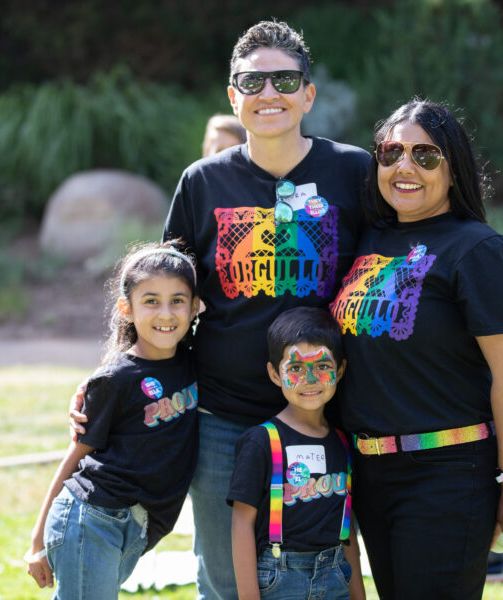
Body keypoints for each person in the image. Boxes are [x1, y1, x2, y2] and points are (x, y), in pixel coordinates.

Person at [70, 19, 370, 600]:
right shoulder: (202, 182)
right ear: (233, 96)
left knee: (321, 572)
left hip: (324, 414)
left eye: (285, 80)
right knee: (223, 578)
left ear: (309, 93)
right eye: (252, 83)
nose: (269, 94)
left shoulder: (353, 171)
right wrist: (111, 376)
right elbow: (159, 299)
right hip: (222, 418)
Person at [329, 99, 503, 600]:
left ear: (454, 168)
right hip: (370, 472)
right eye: (392, 151)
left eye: (425, 155)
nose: (404, 166)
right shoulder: (369, 240)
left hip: (447, 475)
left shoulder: (478, 251)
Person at [29, 242, 200, 599]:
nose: (166, 314)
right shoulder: (115, 378)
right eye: (150, 301)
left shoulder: (190, 360)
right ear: (127, 308)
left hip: (133, 527)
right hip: (90, 519)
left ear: (195, 306)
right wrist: (37, 540)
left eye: (177, 301)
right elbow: (75, 456)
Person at [227, 306, 365, 600]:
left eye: (323, 366)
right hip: (279, 580)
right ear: (275, 374)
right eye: (296, 369)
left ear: (340, 370)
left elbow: (346, 527)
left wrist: (358, 594)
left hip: (335, 577)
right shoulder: (261, 441)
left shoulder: (342, 441)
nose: (310, 379)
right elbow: (241, 523)